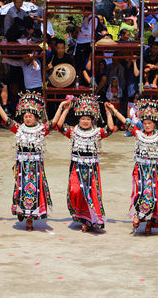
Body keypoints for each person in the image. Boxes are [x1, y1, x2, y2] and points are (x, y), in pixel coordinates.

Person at [109, 99, 158, 234]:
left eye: (149, 123)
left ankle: (149, 222)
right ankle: (138, 216)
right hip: (139, 170)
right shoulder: (138, 133)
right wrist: (114, 110)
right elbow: (126, 122)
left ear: (154, 123)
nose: (146, 125)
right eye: (144, 123)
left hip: (153, 171)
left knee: (152, 195)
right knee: (140, 193)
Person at [52, 95, 117, 232]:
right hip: (77, 166)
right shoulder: (74, 132)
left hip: (91, 168)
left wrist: (108, 112)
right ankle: (80, 215)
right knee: (75, 191)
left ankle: (87, 220)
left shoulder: (96, 133)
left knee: (90, 193)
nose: (85, 121)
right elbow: (58, 126)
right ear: (79, 119)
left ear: (92, 120)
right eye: (83, 119)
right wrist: (65, 109)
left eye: (88, 119)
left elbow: (110, 129)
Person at [0, 92, 53, 231]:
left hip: (35, 167)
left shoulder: (41, 130)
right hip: (22, 166)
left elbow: (54, 123)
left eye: (30, 116)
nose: (27, 118)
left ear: (35, 117)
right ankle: (22, 211)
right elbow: (6, 121)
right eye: (25, 116)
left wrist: (62, 108)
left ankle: (30, 218)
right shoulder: (19, 129)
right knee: (22, 189)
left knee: (33, 190)